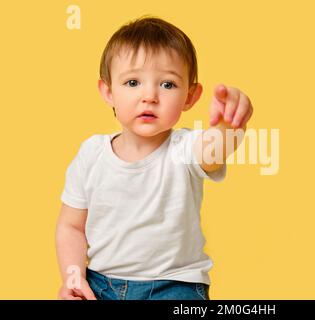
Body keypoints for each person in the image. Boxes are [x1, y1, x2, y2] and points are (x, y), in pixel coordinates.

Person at [55, 15, 253, 300]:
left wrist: (229, 125)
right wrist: (72, 276)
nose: (149, 96)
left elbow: (215, 150)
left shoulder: (185, 149)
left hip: (174, 286)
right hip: (101, 284)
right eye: (133, 82)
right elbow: (71, 225)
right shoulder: (91, 154)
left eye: (168, 85)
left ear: (190, 97)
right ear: (108, 92)